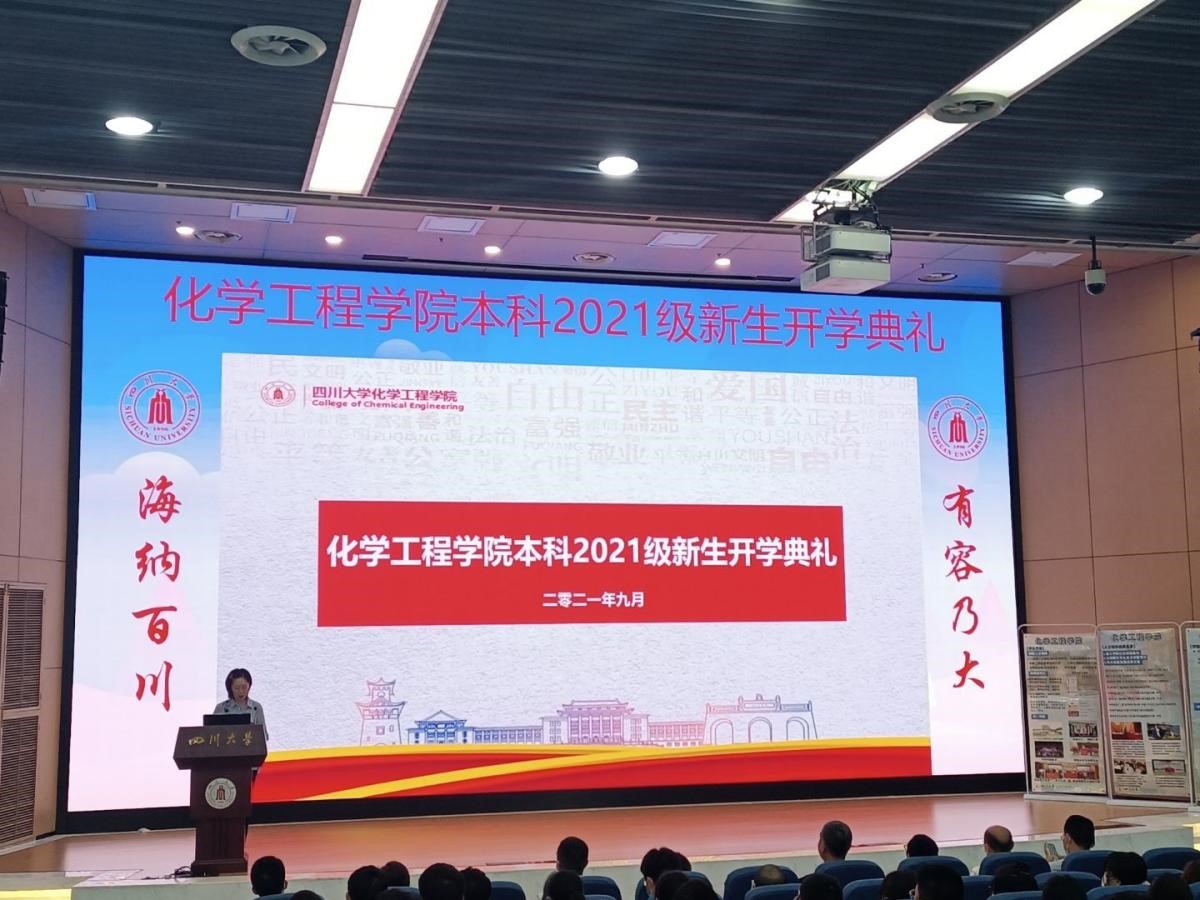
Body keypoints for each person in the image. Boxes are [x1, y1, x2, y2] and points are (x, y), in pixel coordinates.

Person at [215, 667, 269, 739]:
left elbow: (263, 736)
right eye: (236, 688)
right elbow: (212, 735)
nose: (240, 691)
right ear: (230, 688)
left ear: (249, 686)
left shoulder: (256, 707)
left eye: (244, 687)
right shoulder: (221, 707)